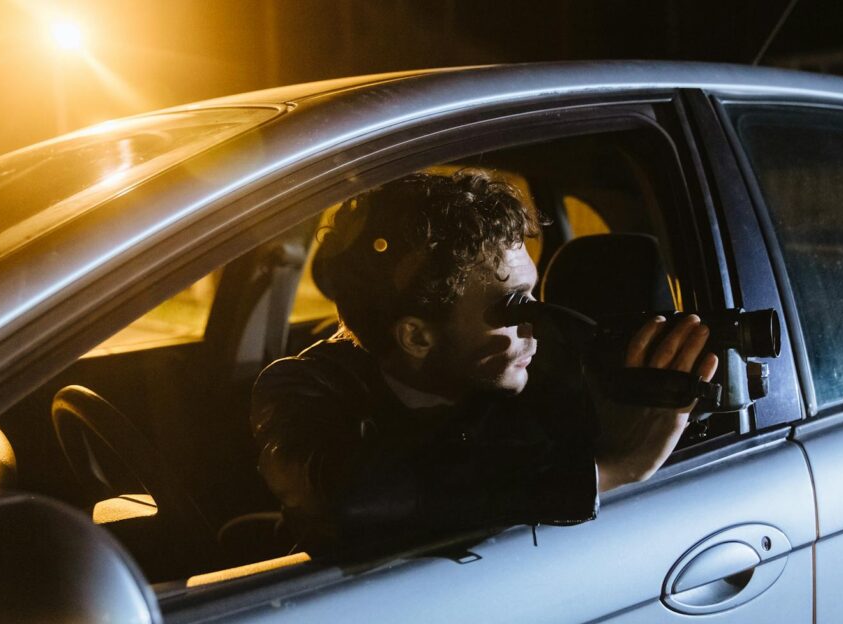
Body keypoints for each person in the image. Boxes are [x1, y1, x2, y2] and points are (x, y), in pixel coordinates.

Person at [251, 170, 717, 558]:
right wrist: (607, 471)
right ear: (416, 336)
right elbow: (355, 498)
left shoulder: (548, 369)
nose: (535, 326)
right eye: (513, 308)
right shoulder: (303, 390)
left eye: (534, 294)